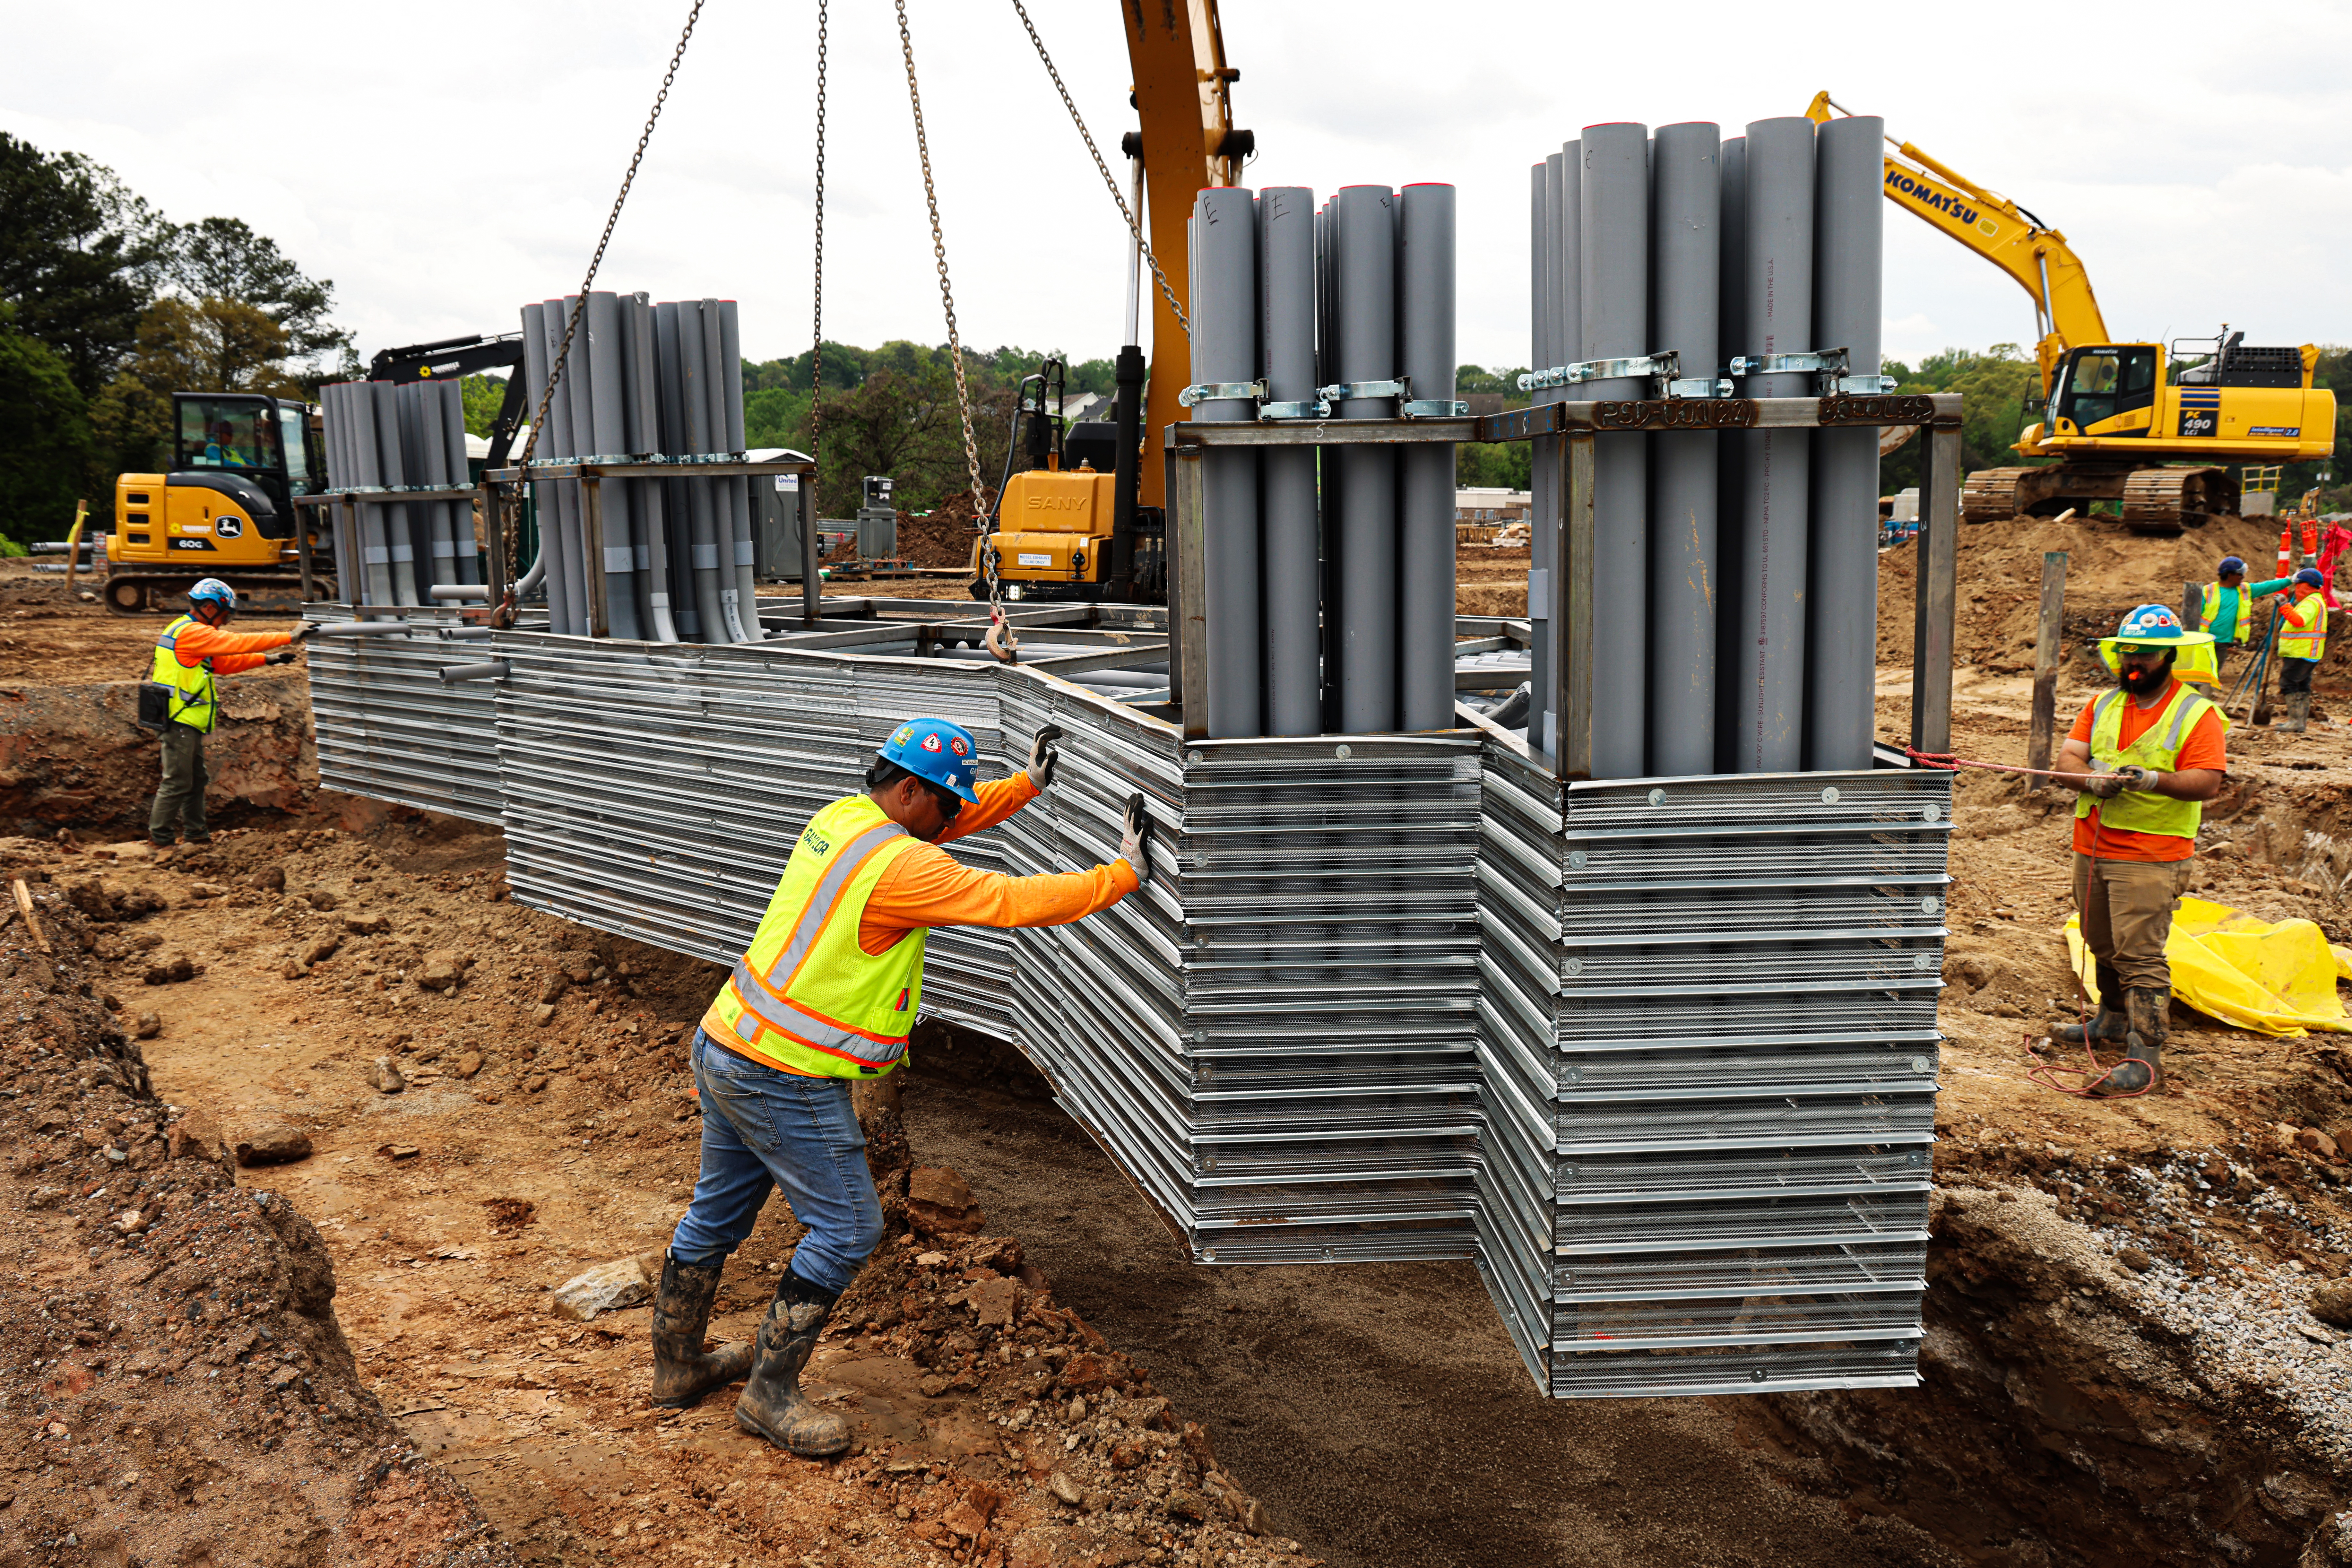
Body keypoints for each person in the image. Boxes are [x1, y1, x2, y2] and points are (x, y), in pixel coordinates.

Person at [651, 717, 1150, 1458]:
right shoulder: (905, 868)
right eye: (946, 804)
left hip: (726, 1040)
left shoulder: (846, 818)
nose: (953, 818)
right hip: (787, 1071)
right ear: (910, 790)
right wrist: (1121, 875)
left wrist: (1025, 788)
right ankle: (769, 1393)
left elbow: (946, 824)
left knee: (716, 1212)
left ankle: (679, 1364)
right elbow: (1008, 900)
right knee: (848, 1228)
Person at [2050, 604, 2228, 1096]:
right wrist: (2089, 778)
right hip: (2093, 844)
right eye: (2128, 652)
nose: (2135, 663)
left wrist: (2152, 780)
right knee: (2098, 937)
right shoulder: (2102, 704)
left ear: (2169, 656)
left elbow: (2208, 781)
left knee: (2140, 953)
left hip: (2151, 854)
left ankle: (2144, 1059)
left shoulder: (2196, 714)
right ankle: (2108, 1020)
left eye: (2146, 655)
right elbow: (2067, 758)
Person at [148, 579, 313, 854]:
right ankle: (160, 842)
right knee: (177, 780)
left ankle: (197, 835)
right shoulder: (193, 632)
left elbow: (220, 664)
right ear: (212, 609)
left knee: (196, 780)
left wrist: (266, 660)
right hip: (179, 720)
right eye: (226, 616)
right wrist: (290, 636)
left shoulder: (182, 629)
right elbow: (235, 643)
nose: (226, 622)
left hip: (181, 718)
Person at [2197, 556, 2295, 681]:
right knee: (2201, 673)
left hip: (2222, 642)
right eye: (2240, 574)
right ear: (2230, 575)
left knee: (2214, 674)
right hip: (2204, 641)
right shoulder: (2208, 591)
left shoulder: (2244, 590)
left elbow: (2267, 587)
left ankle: (2207, 695)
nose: (2243, 577)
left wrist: (2291, 580)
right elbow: (2194, 615)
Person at [2273, 567, 2330, 732]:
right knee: (2302, 684)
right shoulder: (2312, 601)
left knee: (2289, 683)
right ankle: (2299, 722)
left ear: (2305, 585)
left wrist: (2285, 606)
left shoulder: (2312, 602)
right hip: (2305, 652)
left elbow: (2299, 621)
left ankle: (2296, 722)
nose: (2296, 589)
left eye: (2298, 585)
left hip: (2302, 652)